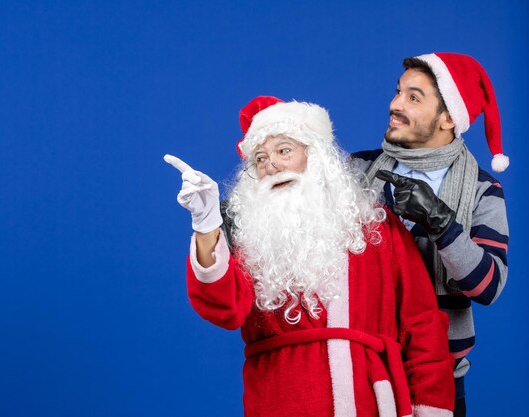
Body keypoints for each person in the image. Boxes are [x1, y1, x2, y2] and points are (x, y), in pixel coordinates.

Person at [165, 96, 455, 417]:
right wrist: (206, 226)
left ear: (316, 157)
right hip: (279, 400)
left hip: (370, 402)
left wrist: (431, 409)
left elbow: (423, 325)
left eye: (284, 151)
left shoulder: (377, 226)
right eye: (259, 159)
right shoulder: (251, 238)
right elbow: (224, 309)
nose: (271, 165)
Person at [350, 53, 510, 417]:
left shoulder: (483, 191)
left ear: (449, 117)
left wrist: (440, 221)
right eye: (398, 92)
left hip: (442, 378)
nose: (395, 104)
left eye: (413, 97)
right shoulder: (356, 171)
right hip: (360, 373)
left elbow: (489, 286)